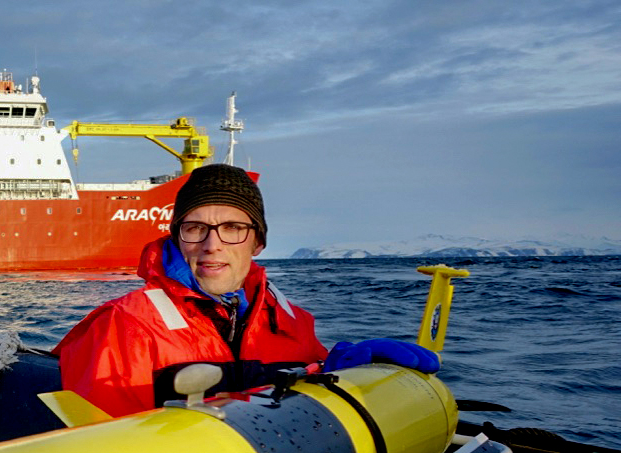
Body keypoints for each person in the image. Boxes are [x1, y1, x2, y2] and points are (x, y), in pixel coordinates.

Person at [54, 164, 437, 417]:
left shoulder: (291, 320)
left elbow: (305, 407)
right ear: (177, 238)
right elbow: (104, 451)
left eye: (233, 228)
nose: (212, 244)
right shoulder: (124, 327)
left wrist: (344, 377)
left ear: (258, 243)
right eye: (195, 227)